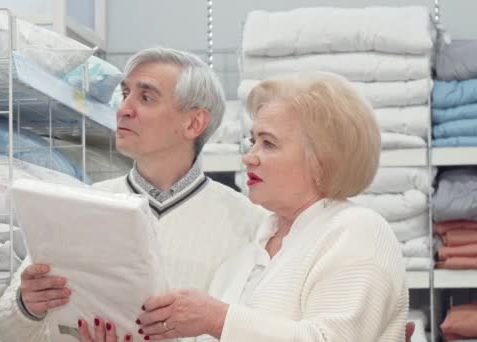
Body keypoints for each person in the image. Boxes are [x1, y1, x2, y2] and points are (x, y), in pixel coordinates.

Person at [82, 72, 410, 341]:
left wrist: (218, 319)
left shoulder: (356, 231)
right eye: (252, 141)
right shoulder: (245, 257)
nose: (249, 156)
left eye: (268, 143)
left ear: (321, 161)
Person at [0, 47, 270, 341]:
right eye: (125, 93)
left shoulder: (251, 224)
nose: (124, 108)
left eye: (146, 97)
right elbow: (6, 328)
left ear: (193, 123)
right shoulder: (78, 206)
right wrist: (28, 305)